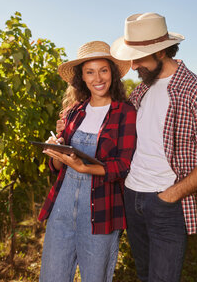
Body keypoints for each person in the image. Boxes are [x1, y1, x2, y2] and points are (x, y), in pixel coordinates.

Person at [110, 12, 197, 282]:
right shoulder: (141, 91)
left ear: (160, 53)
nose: (133, 64)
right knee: (144, 274)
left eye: (138, 57)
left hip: (165, 203)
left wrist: (171, 195)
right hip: (133, 196)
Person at [38, 40, 137, 282]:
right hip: (62, 208)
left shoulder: (125, 112)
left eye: (103, 70)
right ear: (82, 77)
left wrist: (85, 167)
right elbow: (56, 168)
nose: (97, 78)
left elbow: (124, 165)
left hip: (101, 211)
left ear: (112, 73)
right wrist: (57, 154)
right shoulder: (74, 112)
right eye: (90, 72)